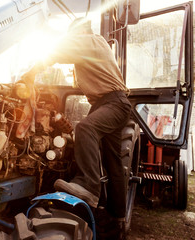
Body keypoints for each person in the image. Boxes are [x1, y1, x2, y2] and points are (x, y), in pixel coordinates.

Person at [37, 18, 132, 238]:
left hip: (114, 102)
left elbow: (56, 50)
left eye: (72, 35)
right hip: (108, 102)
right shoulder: (91, 47)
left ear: (79, 32)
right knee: (113, 163)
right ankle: (115, 219)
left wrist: (34, 64)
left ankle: (89, 187)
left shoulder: (91, 41)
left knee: (85, 128)